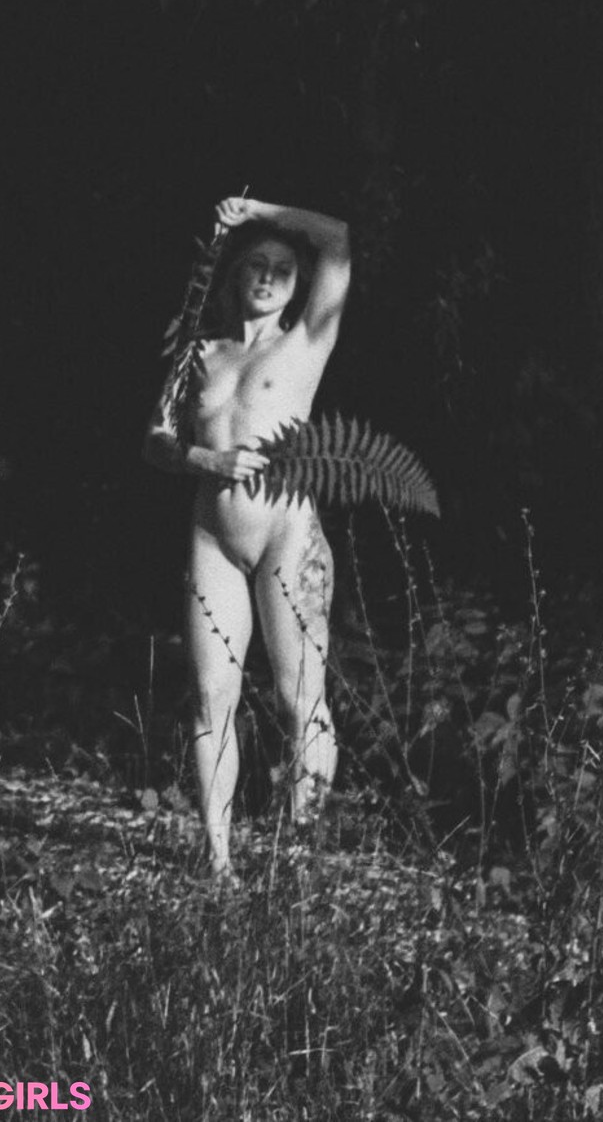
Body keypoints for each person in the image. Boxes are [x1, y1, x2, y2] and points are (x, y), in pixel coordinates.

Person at [144, 196, 351, 875]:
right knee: (212, 696)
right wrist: (206, 459)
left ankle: (300, 858)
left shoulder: (306, 343)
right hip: (214, 536)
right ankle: (219, 863)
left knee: (300, 699)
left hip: (287, 533)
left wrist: (259, 211)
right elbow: (156, 439)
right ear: (234, 274)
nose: (266, 276)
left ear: (296, 286)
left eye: (282, 269)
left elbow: (338, 239)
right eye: (255, 264)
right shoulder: (199, 352)